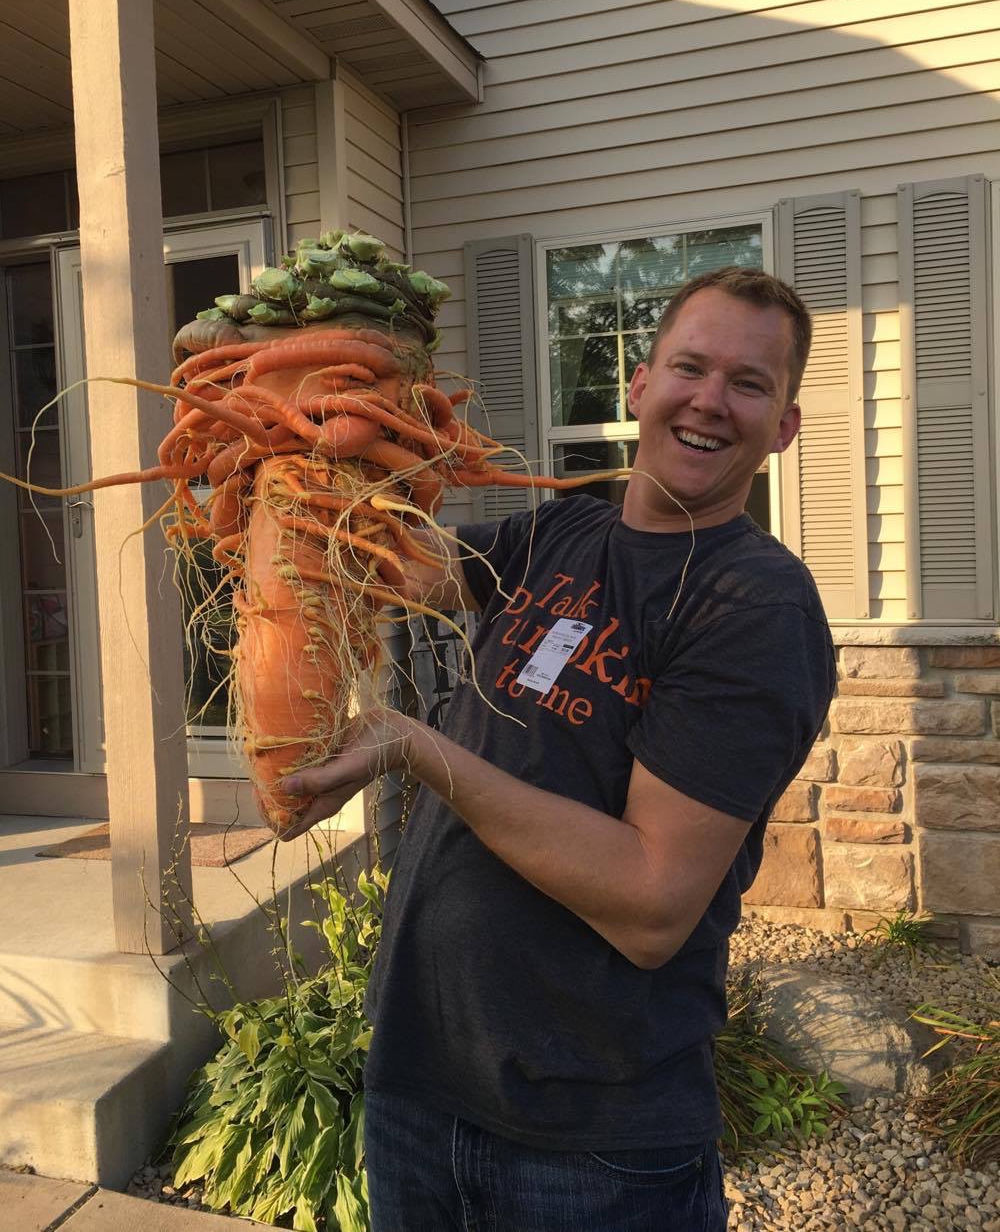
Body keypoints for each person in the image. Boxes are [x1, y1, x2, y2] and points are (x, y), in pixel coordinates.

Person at [282, 267, 837, 1231]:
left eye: (749, 385)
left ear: (783, 427)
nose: (709, 400)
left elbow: (652, 902)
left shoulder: (753, 607)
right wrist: (313, 449)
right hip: (418, 1082)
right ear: (638, 383)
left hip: (590, 1141)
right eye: (689, 367)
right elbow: (413, 567)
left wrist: (416, 749)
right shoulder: (569, 522)